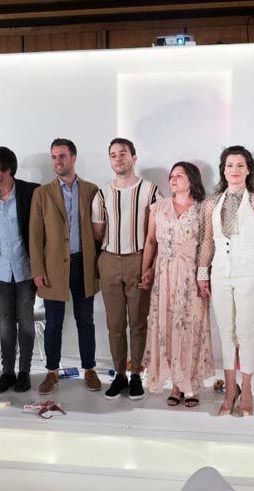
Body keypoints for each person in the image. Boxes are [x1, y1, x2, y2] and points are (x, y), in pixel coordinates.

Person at [197, 145, 254, 417]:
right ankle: (230, 390)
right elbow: (207, 241)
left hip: (248, 272)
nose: (235, 170)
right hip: (219, 273)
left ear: (248, 170)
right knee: (225, 333)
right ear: (223, 170)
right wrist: (202, 273)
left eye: (240, 165)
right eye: (230, 165)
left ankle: (247, 389)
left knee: (245, 332)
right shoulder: (211, 202)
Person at [139, 162, 214, 407]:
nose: (173, 179)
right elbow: (150, 242)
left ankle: (190, 385)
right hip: (164, 275)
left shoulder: (203, 209)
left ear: (191, 180)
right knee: (168, 326)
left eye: (179, 176)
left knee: (190, 326)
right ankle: (175, 385)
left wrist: (205, 276)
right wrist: (146, 271)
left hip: (192, 275)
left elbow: (208, 244)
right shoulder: (159, 207)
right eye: (171, 176)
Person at [92, 138, 161, 400]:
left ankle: (136, 376)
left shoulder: (151, 190)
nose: (118, 158)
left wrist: (150, 266)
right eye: (113, 155)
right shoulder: (103, 193)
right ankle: (119, 374)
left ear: (134, 157)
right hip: (109, 260)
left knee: (139, 322)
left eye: (123, 153)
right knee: (115, 323)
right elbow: (98, 232)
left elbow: (158, 233)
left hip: (138, 259)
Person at [30, 138, 101, 395]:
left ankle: (89, 369)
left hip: (83, 263)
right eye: (54, 157)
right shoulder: (42, 193)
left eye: (62, 156)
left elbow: (99, 230)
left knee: (86, 321)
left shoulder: (92, 190)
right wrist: (37, 269)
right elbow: (35, 235)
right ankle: (52, 372)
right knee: (53, 323)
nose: (57, 161)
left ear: (73, 157)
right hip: (52, 268)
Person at [0, 147, 39, 393]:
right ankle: (8, 372)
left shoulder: (30, 192)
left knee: (26, 322)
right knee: (6, 323)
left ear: (7, 170)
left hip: (25, 270)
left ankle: (24, 372)